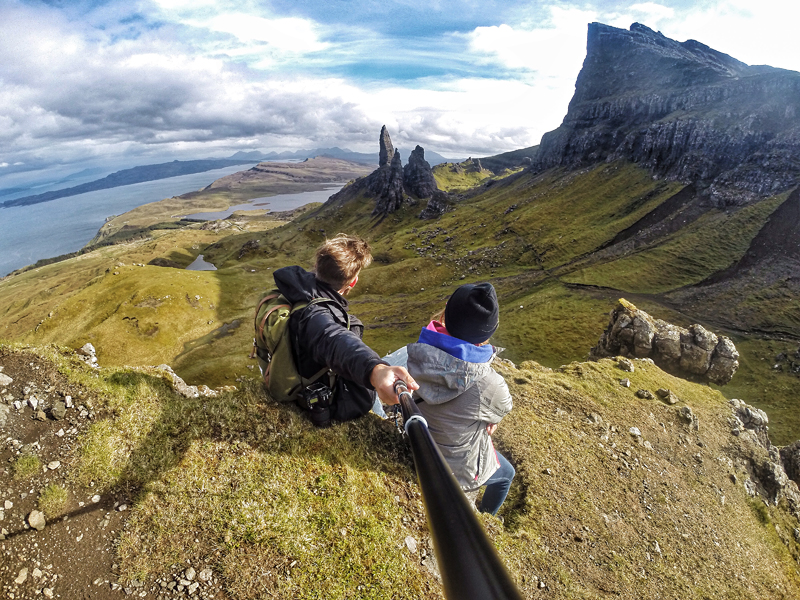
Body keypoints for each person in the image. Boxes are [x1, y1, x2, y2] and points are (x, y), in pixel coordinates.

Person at [271, 233, 417, 427]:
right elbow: (335, 339)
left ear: (317, 267)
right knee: (409, 353)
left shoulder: (296, 290)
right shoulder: (316, 315)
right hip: (332, 400)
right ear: (353, 282)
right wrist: (376, 371)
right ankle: (380, 418)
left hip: (299, 374)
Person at [406, 282, 515, 516]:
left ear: (447, 314)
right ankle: (486, 518)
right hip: (455, 466)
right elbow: (504, 406)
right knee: (507, 475)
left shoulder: (421, 348)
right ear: (487, 333)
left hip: (418, 445)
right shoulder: (488, 384)